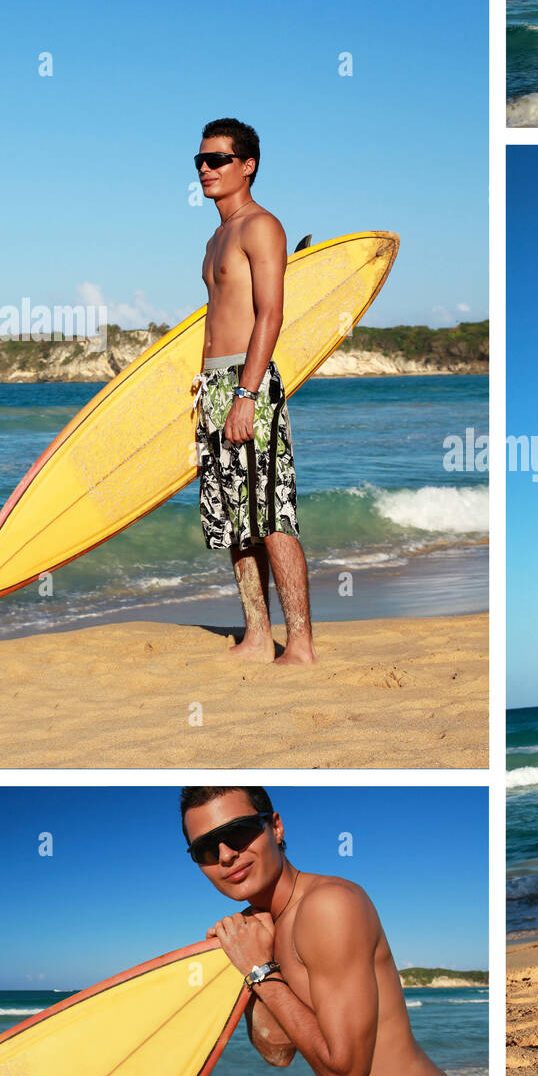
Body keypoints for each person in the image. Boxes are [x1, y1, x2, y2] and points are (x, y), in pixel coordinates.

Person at [183, 785, 455, 1076]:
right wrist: (249, 965)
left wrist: (257, 970)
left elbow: (345, 1074)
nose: (225, 855)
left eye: (240, 832)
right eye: (205, 848)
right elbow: (278, 1054)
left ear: (275, 827)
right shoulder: (262, 932)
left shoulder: (329, 905)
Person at [192, 117, 315, 665]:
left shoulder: (261, 226)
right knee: (234, 520)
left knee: (270, 514)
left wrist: (246, 395)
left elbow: (271, 314)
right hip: (214, 385)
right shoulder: (216, 236)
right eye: (200, 160)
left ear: (247, 165)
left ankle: (303, 645)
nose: (205, 169)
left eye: (217, 159)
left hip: (249, 382)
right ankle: (259, 636)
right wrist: (202, 395)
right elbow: (212, 323)